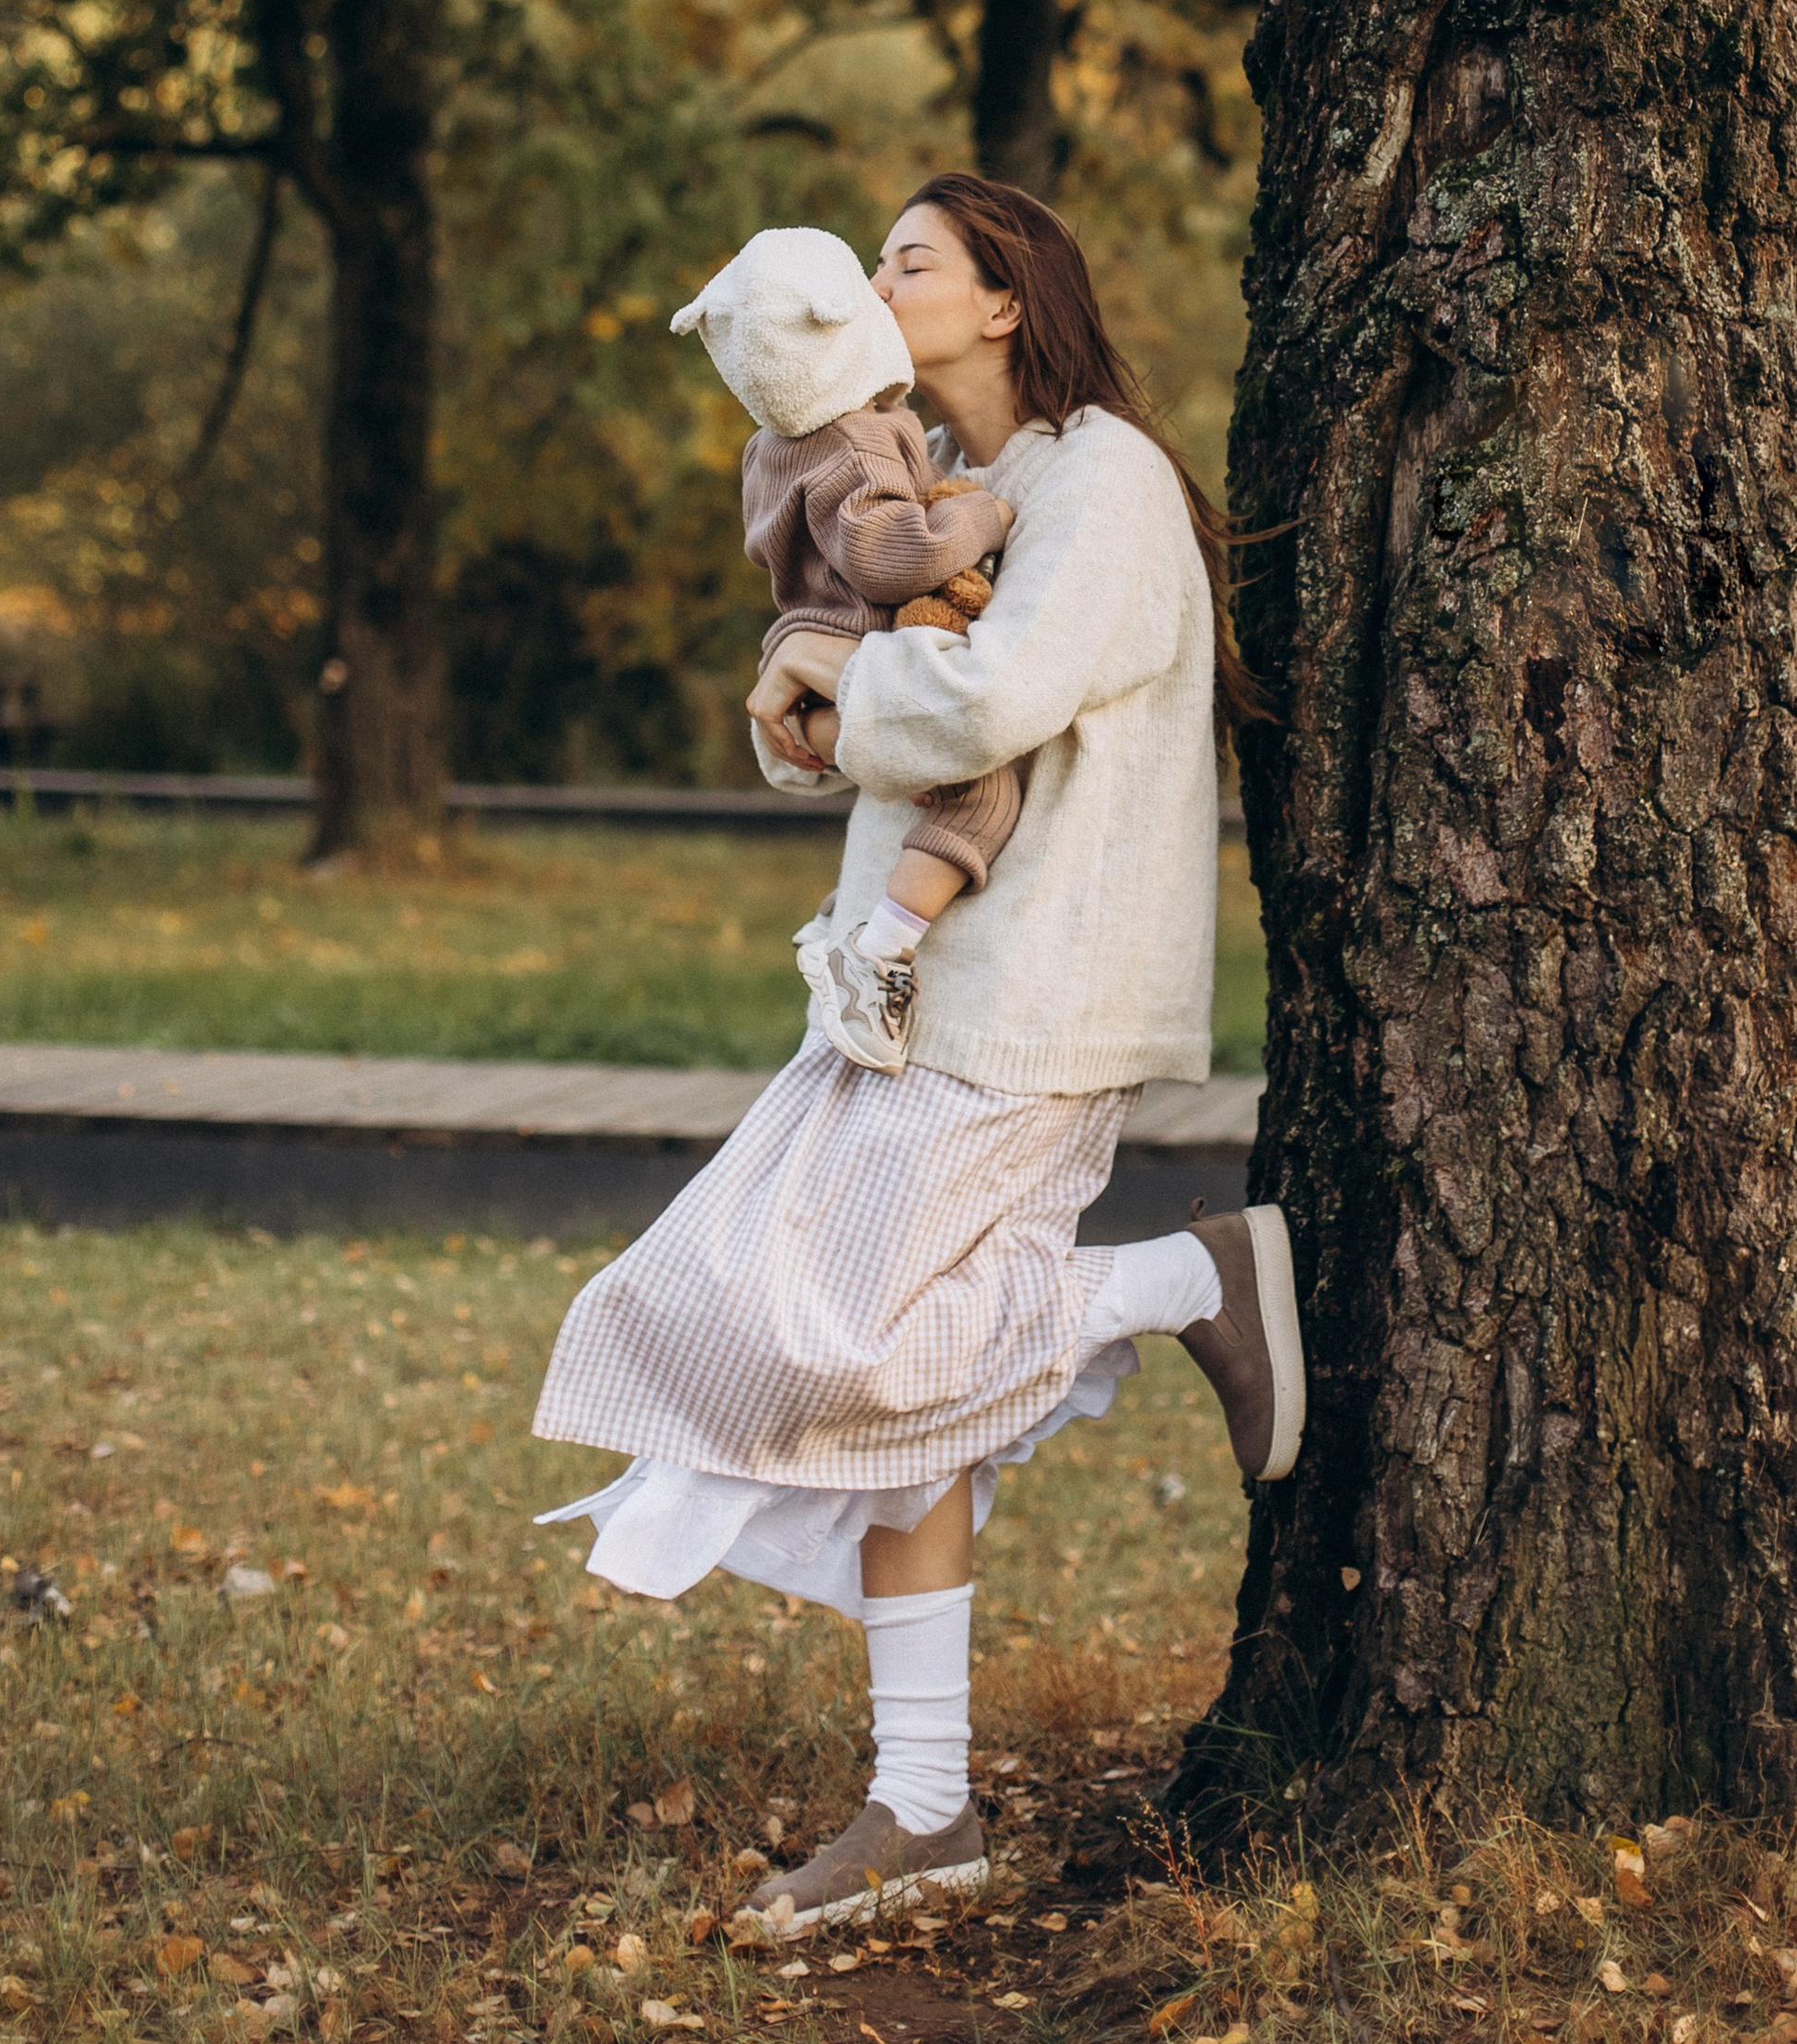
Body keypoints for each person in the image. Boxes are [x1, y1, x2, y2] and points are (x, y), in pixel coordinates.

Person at [529, 174, 1305, 1941]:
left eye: (909, 259)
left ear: (1007, 296)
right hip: (904, 993)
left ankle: (1190, 1280)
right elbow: (868, 723)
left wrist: (823, 686)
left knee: (842, 1342)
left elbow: (979, 705)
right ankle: (925, 1805)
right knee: (885, 1406)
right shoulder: (934, 479)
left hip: (1029, 999)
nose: (880, 282)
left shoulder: (1095, 477)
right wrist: (797, 698)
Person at [670, 223, 1025, 1073]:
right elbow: (890, 556)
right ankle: (877, 954)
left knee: (914, 790)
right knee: (980, 799)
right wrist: (981, 510)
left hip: (812, 633)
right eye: (873, 272)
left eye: (906, 265)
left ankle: (848, 914)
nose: (879, 291)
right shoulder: (858, 440)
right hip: (858, 636)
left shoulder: (773, 446)